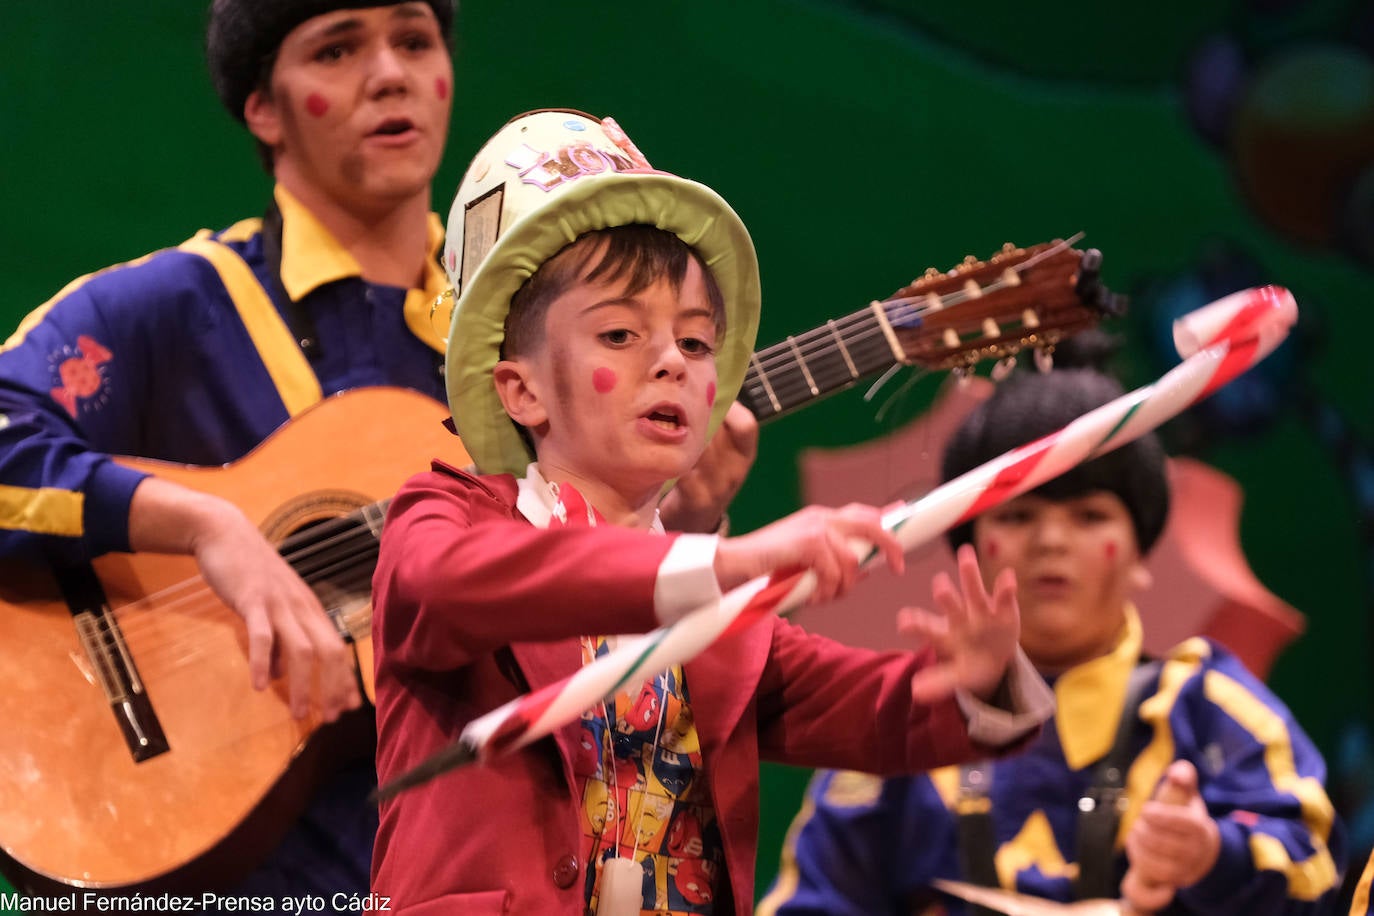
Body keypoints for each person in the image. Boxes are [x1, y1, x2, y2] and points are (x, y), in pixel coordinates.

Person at [0, 2, 750, 899]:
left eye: (414, 39)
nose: (390, 73)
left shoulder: (549, 345)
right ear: (264, 109)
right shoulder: (179, 307)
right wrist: (205, 527)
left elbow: (589, 705)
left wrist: (665, 527)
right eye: (338, 48)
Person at [369, 108, 1056, 916]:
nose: (669, 360)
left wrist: (982, 681)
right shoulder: (445, 516)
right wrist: (725, 562)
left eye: (695, 345)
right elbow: (458, 584)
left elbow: (884, 712)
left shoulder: (727, 625)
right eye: (621, 333)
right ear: (519, 389)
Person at [757, 352, 1347, 915]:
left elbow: (1318, 878)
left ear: (1142, 552)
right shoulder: (911, 714)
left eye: (1090, 517)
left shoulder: (1210, 707)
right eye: (1017, 516)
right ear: (969, 550)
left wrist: (1213, 856)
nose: (1052, 543)